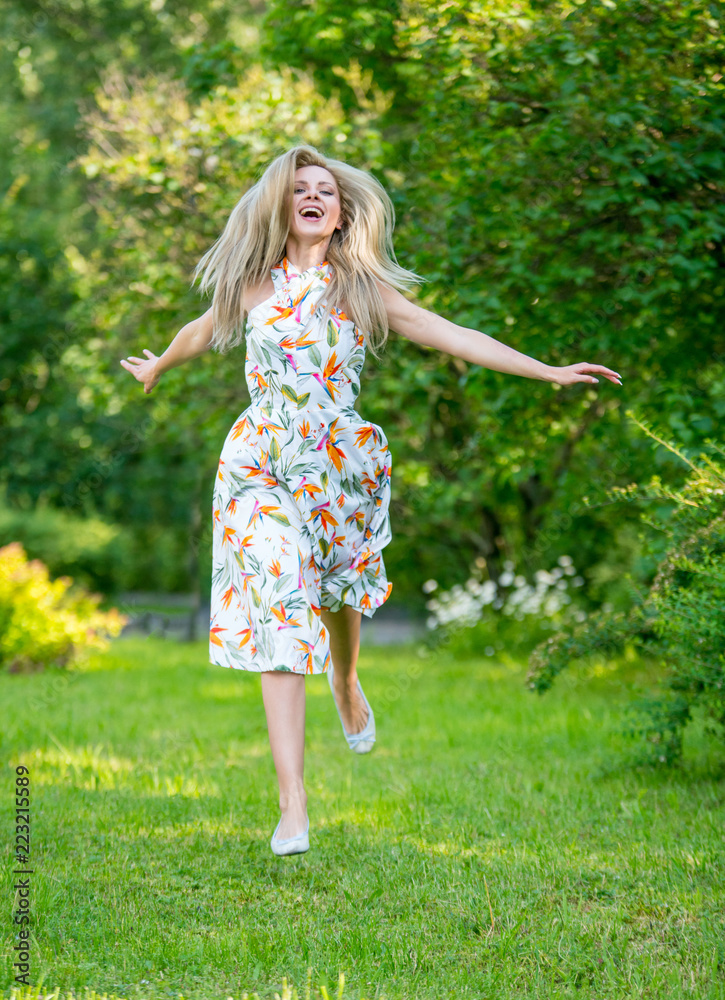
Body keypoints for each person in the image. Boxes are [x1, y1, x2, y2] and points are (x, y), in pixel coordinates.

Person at [120, 143, 622, 857]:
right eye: (300, 189)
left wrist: (545, 370)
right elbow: (200, 332)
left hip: (337, 466)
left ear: (341, 213)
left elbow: (449, 334)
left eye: (325, 190)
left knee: (336, 591)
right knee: (283, 607)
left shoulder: (360, 290)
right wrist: (159, 366)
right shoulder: (251, 284)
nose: (313, 197)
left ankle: (346, 677)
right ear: (282, 206)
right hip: (258, 464)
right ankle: (292, 805)